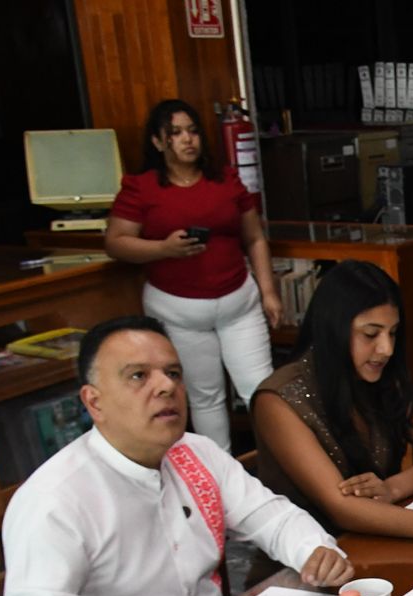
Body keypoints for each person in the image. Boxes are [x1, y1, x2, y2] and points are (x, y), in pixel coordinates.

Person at [4, 317, 352, 596]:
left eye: (173, 373)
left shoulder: (195, 453)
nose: (166, 387)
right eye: (139, 376)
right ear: (94, 402)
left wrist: (314, 550)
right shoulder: (55, 498)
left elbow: (273, 518)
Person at [251, 260, 413, 547]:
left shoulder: (376, 376)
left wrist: (392, 488)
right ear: (333, 330)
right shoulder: (278, 399)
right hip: (308, 558)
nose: (386, 349)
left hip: (379, 540)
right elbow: (341, 508)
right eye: (371, 334)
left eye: (393, 333)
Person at [104, 99, 282, 452]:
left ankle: (283, 467)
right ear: (158, 142)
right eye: (176, 133)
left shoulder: (225, 180)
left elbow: (255, 238)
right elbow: (116, 243)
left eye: (193, 131)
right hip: (179, 311)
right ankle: (218, 474)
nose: (187, 139)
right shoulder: (141, 187)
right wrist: (163, 249)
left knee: (262, 391)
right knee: (205, 398)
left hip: (239, 303)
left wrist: (269, 292)